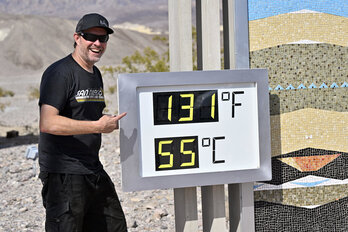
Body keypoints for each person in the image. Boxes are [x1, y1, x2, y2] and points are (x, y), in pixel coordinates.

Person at [38, 13, 127, 231]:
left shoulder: (94, 73)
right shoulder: (60, 73)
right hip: (64, 174)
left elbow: (86, 115)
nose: (97, 43)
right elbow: (48, 122)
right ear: (77, 38)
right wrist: (98, 126)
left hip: (92, 169)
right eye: (90, 37)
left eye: (103, 38)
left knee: (115, 226)